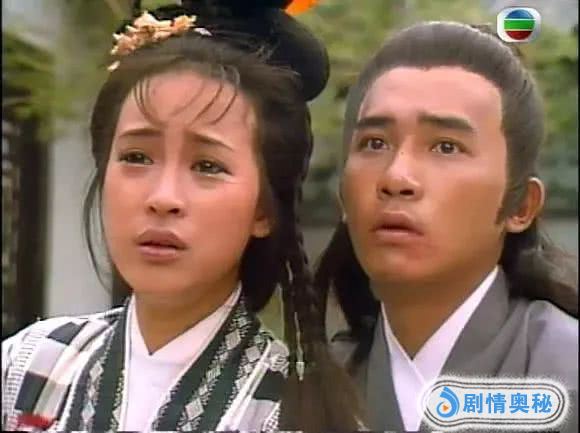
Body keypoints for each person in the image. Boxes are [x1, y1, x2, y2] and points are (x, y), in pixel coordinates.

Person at [1, 1, 363, 431]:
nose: (163, 197)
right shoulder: (28, 366)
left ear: (264, 208)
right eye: (136, 157)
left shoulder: (299, 414)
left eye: (207, 165)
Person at [315, 21, 578, 432]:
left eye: (446, 146)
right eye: (375, 143)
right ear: (343, 197)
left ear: (520, 205)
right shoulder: (309, 392)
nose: (396, 177)